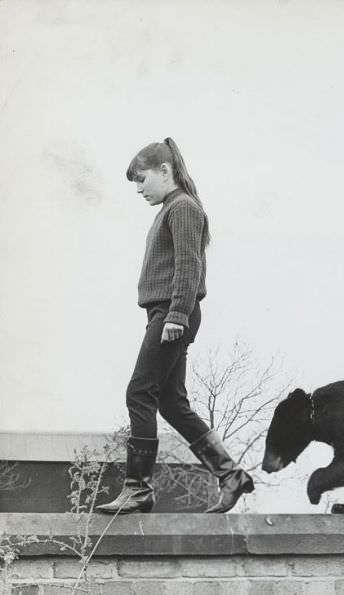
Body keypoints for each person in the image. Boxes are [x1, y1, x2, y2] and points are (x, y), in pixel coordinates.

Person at [96, 138, 254, 515]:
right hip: (165, 313)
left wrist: (177, 315)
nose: (139, 189)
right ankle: (230, 475)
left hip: (172, 312)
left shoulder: (182, 207)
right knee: (170, 402)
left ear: (164, 171)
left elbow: (189, 265)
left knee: (139, 392)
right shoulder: (172, 208)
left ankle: (138, 488)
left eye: (142, 179)